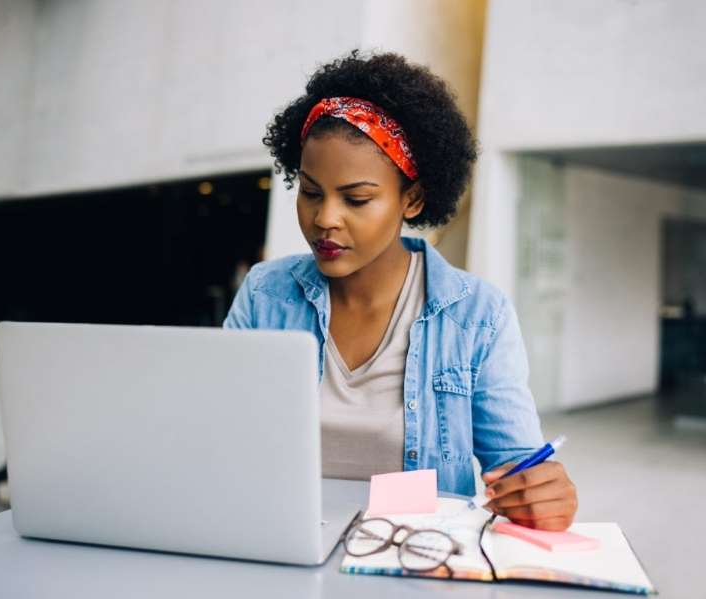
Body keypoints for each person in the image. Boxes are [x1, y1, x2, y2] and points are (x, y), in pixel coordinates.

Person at [224, 51, 577, 531]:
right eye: (310, 191)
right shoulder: (266, 293)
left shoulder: (476, 315)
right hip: (276, 534)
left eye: (357, 199)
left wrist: (540, 492)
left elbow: (517, 470)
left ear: (411, 199)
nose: (325, 218)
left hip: (413, 553)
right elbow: (223, 435)